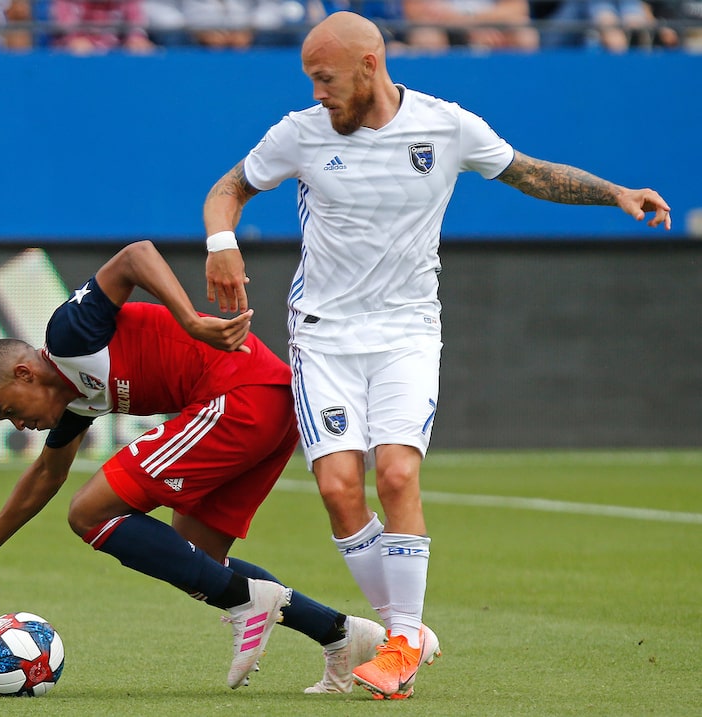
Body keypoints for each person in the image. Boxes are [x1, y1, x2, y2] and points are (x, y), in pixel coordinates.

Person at [202, 10, 671, 700]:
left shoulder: (445, 125)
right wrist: (222, 243)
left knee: (395, 473)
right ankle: (405, 633)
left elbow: (530, 173)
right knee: (337, 488)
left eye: (325, 77)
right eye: (309, 78)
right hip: (324, 334)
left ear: (370, 68)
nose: (316, 91)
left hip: (406, 332)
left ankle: (400, 640)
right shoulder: (299, 133)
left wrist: (617, 194)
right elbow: (229, 188)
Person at [0, 240, 387, 694]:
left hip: (239, 395)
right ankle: (340, 634)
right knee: (193, 558)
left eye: (9, 410)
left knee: (87, 513)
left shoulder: (68, 335)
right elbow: (46, 474)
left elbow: (135, 256)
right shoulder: (77, 401)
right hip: (267, 405)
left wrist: (192, 321)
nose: (20, 425)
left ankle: (250, 604)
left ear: (24, 374)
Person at [402, 0, 539, 51]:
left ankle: (520, 87)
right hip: (443, 29)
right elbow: (415, 10)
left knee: (524, 33)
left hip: (491, 29)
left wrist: (474, 23)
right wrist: (468, 28)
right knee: (425, 35)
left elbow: (518, 8)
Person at [50, 0, 154, 53]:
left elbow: (137, 31)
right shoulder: (65, 2)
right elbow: (71, 36)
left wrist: (136, 41)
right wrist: (76, 42)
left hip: (117, 61)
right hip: (74, 66)